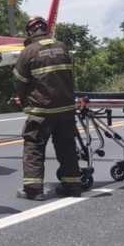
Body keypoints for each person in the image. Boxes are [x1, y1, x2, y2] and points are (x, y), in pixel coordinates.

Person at [13, 16, 81, 200]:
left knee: (34, 146)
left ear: (30, 32)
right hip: (66, 108)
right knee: (67, 146)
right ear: (45, 29)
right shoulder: (63, 47)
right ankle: (73, 185)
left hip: (41, 110)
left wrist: (24, 101)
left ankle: (34, 190)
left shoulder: (29, 52)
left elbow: (19, 81)